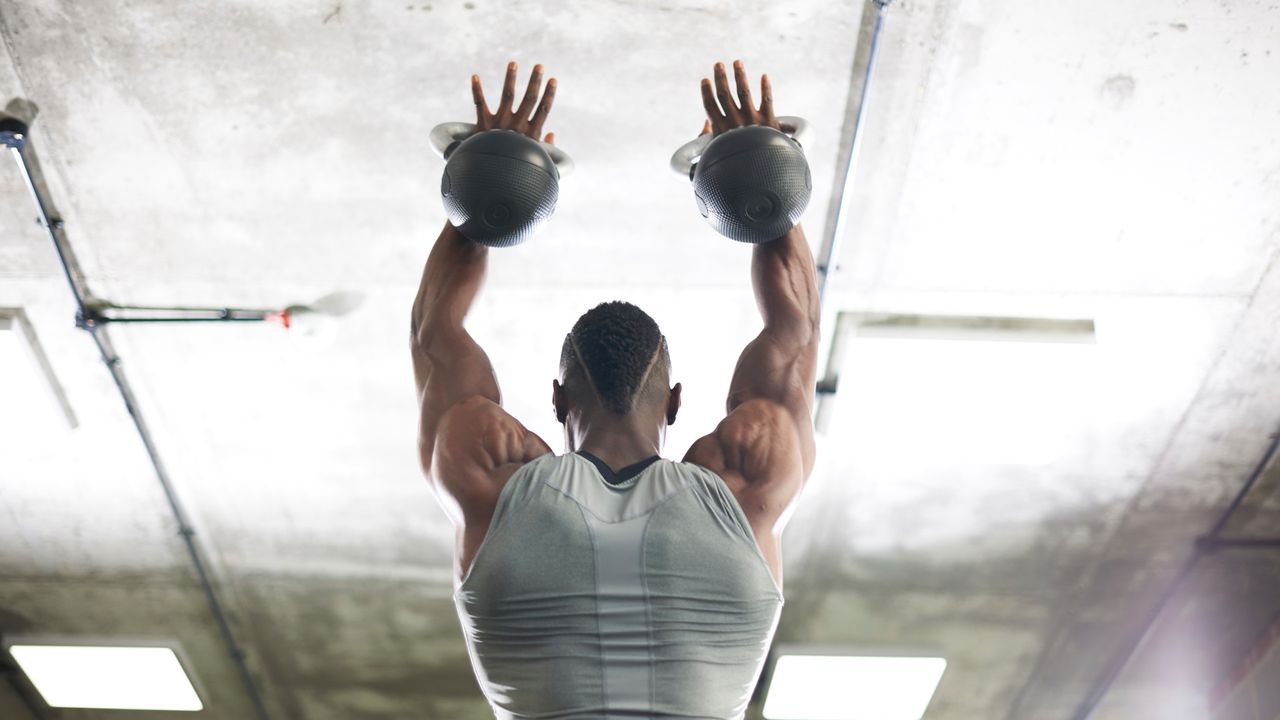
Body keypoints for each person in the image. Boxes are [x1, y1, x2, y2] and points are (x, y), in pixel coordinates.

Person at [410, 59, 819, 719]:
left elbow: (437, 334)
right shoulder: (751, 473)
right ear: (676, 402)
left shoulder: (488, 470)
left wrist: (491, 192)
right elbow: (794, 331)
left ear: (558, 403)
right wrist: (759, 182)